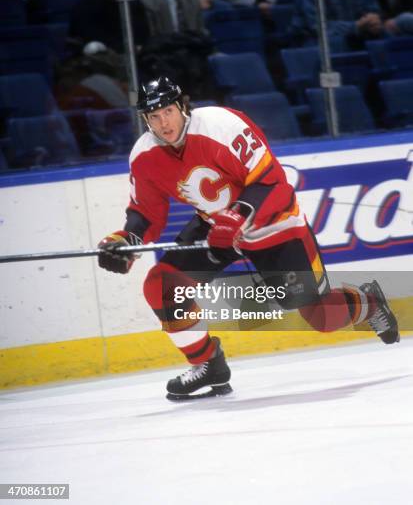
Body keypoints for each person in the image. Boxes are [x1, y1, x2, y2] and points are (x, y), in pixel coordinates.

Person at [97, 76, 400, 401]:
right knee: (162, 285)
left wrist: (237, 215)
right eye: (153, 116)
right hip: (214, 227)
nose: (163, 123)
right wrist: (125, 239)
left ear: (182, 106)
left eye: (167, 111)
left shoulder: (222, 125)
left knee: (321, 317)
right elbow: (146, 211)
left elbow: (273, 183)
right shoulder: (144, 154)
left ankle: (369, 302)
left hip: (274, 225)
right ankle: (208, 365)